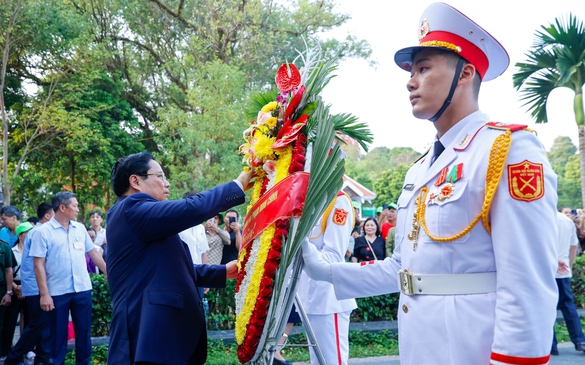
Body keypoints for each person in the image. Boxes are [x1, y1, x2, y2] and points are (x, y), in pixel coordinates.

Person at [302, 3, 558, 364]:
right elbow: (403, 270)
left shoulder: (507, 150)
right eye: (411, 70)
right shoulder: (421, 169)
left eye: (423, 68)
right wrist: (322, 270)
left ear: (465, 73)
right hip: (421, 347)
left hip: (473, 350)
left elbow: (527, 282)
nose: (410, 80)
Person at [106, 151, 253, 365]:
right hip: (149, 332)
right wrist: (238, 184)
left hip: (156, 333)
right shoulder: (132, 208)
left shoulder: (137, 216)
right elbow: (192, 208)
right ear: (135, 181)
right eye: (160, 176)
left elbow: (166, 268)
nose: (167, 184)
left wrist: (222, 272)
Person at [30, 192, 107, 365]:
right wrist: (44, 294)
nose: (78, 209)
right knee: (58, 335)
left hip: (82, 289)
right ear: (62, 208)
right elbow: (38, 265)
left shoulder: (79, 228)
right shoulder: (42, 232)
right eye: (75, 206)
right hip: (57, 292)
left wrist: (107, 272)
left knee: (83, 333)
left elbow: (93, 252)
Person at [296, 191, 357, 365]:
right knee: (317, 361)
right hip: (307, 296)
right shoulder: (307, 199)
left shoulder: (338, 201)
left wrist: (301, 242)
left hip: (329, 297)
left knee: (332, 362)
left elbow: (333, 256)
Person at [3, 202, 54, 365]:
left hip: (36, 287)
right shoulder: (35, 234)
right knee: (33, 324)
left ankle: (41, 356)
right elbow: (28, 267)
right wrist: (15, 289)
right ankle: (13, 355)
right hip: (29, 288)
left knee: (38, 323)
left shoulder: (39, 234)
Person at [552, 211, 585, 355]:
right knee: (568, 304)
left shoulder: (542, 218)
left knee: (545, 306)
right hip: (563, 269)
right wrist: (570, 266)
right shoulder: (566, 220)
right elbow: (573, 247)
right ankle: (580, 340)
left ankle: (551, 344)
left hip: (544, 270)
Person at [1, 222, 34, 360]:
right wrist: (15, 288)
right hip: (15, 286)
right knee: (10, 320)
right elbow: (8, 271)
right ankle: (5, 350)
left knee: (29, 320)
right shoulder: (11, 250)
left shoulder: (35, 251)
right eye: (28, 232)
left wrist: (26, 288)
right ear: (20, 235)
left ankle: (27, 349)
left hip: (30, 287)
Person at [178, 190, 210, 299]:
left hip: (198, 275)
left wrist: (207, 278)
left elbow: (203, 254)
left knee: (198, 308)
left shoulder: (201, 227)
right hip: (181, 275)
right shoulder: (177, 225)